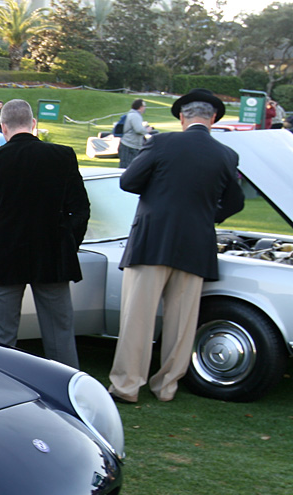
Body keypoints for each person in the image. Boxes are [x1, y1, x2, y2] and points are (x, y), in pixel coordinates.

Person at [107, 89, 245, 403]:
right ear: (212, 119)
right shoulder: (226, 155)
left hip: (153, 239)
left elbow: (128, 181)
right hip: (196, 244)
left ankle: (127, 386)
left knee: (137, 318)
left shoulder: (161, 142)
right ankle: (166, 386)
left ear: (182, 117)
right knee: (181, 325)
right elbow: (235, 202)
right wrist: (208, 215)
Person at [0, 99, 90, 368]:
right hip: (52, 257)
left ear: (3, 127)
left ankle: (5, 395)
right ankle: (68, 395)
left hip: (3, 258)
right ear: (33, 124)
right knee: (60, 338)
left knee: (2, 340)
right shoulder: (62, 156)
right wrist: (66, 245)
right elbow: (80, 211)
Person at [118, 99, 149, 169]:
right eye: (144, 106)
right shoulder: (135, 115)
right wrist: (147, 130)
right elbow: (138, 130)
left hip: (131, 145)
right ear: (140, 107)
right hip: (129, 145)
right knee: (126, 168)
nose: (145, 108)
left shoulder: (133, 114)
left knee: (133, 168)